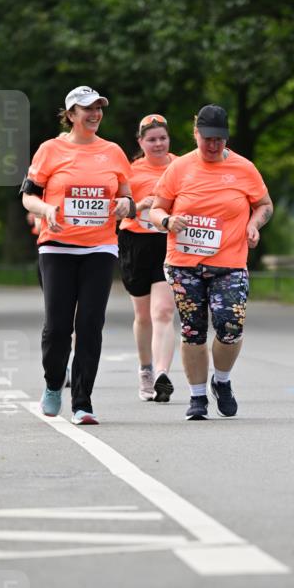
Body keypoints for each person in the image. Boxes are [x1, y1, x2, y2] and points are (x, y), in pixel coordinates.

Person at [150, 104, 273, 420]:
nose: (213, 145)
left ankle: (222, 381)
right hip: (184, 263)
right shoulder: (179, 169)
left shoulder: (244, 168)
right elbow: (155, 208)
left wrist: (253, 224)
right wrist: (167, 221)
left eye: (219, 139)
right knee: (193, 330)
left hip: (230, 261)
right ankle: (198, 397)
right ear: (195, 134)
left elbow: (264, 205)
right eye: (207, 139)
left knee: (230, 326)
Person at [21, 86, 135, 424]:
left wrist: (123, 206)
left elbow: (128, 200)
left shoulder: (113, 152)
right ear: (70, 114)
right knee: (57, 327)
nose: (95, 113)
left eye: (99, 107)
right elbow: (28, 197)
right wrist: (46, 210)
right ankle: (54, 383)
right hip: (56, 246)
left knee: (89, 325)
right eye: (87, 108)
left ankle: (83, 401)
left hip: (100, 247)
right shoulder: (50, 150)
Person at [118, 114, 177, 402]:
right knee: (143, 316)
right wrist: (140, 205)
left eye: (162, 138)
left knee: (163, 312)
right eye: (151, 139)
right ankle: (146, 370)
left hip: (170, 242)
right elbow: (117, 209)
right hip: (135, 243)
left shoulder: (181, 167)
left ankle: (162, 374)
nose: (158, 144)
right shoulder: (129, 171)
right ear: (141, 142)